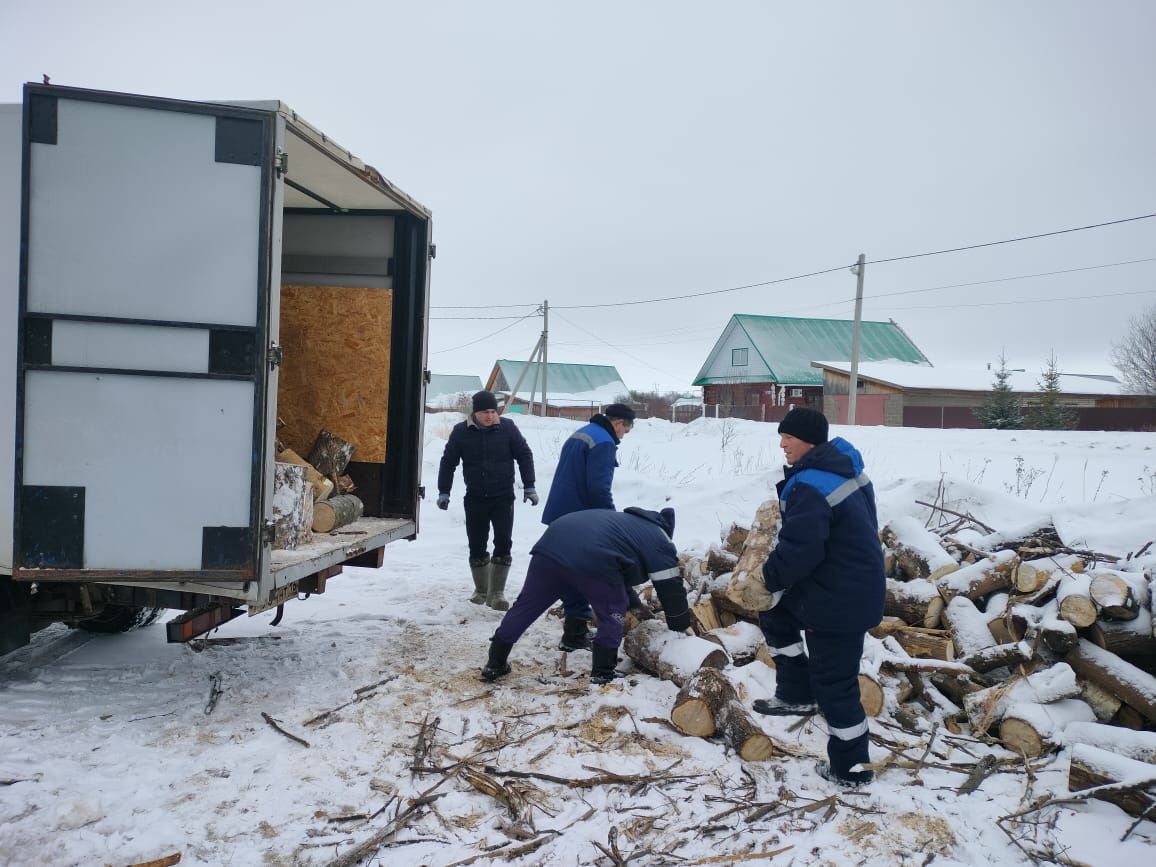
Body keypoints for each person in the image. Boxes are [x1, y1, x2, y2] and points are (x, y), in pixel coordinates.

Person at [754, 407, 884, 788]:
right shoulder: (846, 471)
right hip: (839, 586)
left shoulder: (811, 484)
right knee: (776, 614)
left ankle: (851, 769)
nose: (782, 444)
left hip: (840, 600)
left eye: (788, 438)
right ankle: (795, 693)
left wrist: (768, 577)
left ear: (808, 440)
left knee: (836, 685)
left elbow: (800, 549)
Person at [481, 507, 690, 684]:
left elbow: (620, 572)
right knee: (612, 611)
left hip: (551, 546)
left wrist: (635, 605)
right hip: (592, 557)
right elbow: (671, 588)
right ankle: (603, 673)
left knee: (526, 605)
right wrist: (679, 627)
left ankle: (495, 662)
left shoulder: (626, 523)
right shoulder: (659, 540)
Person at [541, 402, 636, 652]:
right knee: (582, 573)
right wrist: (611, 521)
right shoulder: (604, 442)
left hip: (561, 513)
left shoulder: (583, 432)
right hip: (579, 519)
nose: (623, 436)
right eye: (625, 431)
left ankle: (575, 629)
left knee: (568, 572)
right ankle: (574, 634)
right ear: (618, 424)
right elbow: (599, 488)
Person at [437, 390, 537, 610]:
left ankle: (497, 593)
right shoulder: (461, 432)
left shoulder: (508, 428)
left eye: (493, 411)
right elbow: (448, 462)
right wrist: (444, 491)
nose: (490, 416)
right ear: (476, 413)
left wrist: (529, 486)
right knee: (476, 543)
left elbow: (524, 455)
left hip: (503, 497)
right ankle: (482, 590)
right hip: (475, 498)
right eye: (485, 412)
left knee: (503, 542)